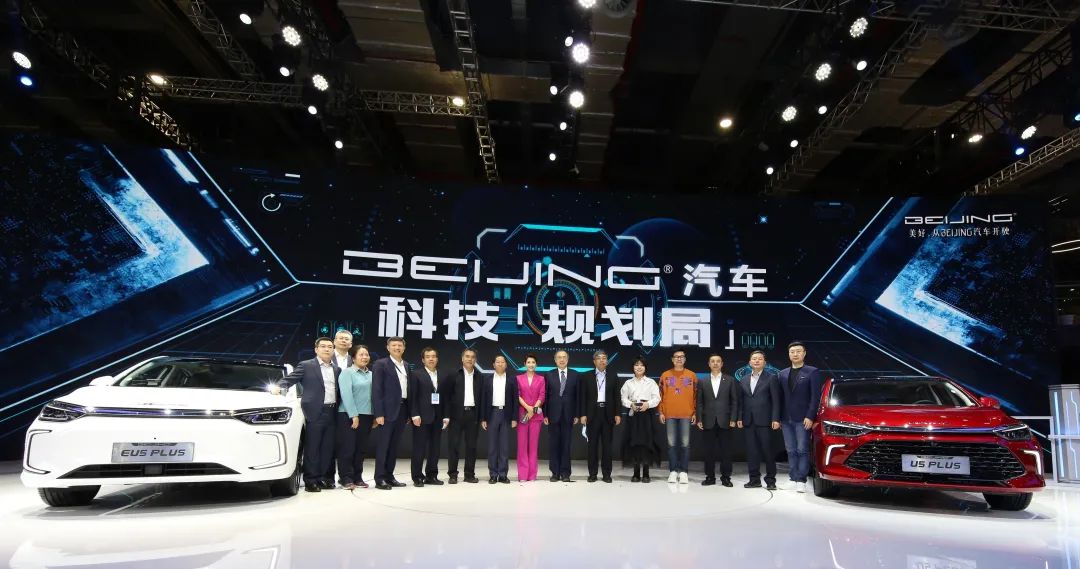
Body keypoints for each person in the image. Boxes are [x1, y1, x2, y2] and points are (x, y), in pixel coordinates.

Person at [280, 337, 340, 492]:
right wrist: (279, 387)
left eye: (330, 347)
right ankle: (310, 480)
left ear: (333, 350)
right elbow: (290, 379)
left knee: (327, 449)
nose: (327, 349)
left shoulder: (337, 369)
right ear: (316, 349)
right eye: (323, 346)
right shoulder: (306, 365)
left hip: (333, 412)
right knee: (312, 449)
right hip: (315, 412)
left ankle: (322, 478)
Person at [778, 341, 825, 493]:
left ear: (804, 353)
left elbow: (815, 397)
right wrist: (778, 417)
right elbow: (780, 397)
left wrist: (810, 416)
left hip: (803, 418)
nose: (795, 354)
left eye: (798, 351)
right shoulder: (782, 373)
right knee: (790, 450)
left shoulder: (812, 372)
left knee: (802, 449)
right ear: (788, 354)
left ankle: (801, 480)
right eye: (792, 352)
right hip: (786, 418)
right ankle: (793, 478)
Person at [737, 350, 781, 490]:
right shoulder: (743, 379)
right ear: (749, 363)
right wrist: (739, 417)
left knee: (768, 452)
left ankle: (771, 480)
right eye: (754, 359)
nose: (756, 361)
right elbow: (741, 401)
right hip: (748, 421)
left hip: (765, 421)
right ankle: (754, 479)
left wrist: (775, 418)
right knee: (752, 452)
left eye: (760, 359)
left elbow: (776, 400)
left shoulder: (771, 378)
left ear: (764, 363)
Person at [371, 337, 410, 490]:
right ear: (388, 347)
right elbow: (377, 390)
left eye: (400, 345)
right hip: (387, 412)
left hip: (402, 410)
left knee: (394, 446)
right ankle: (380, 478)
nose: (397, 347)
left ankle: (390, 476)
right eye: (394, 345)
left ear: (404, 348)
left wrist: (409, 413)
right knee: (383, 446)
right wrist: (379, 413)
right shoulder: (380, 364)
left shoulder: (406, 365)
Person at [696, 353, 739, 487]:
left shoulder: (730, 380)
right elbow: (699, 402)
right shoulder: (702, 381)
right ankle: (710, 477)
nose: (715, 363)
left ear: (722, 364)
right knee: (708, 451)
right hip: (707, 420)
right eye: (713, 361)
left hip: (725, 420)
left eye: (718, 361)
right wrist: (699, 419)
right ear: (709, 364)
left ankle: (726, 477)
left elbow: (734, 401)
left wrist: (733, 418)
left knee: (726, 451)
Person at [578, 350, 621, 483]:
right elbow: (582, 397)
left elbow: (617, 397)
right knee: (592, 445)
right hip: (592, 414)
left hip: (608, 414)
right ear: (594, 361)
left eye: (604, 358)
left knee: (607, 446)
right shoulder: (586, 376)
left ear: (607, 361)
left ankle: (607, 474)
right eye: (599, 358)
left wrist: (617, 413)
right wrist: (583, 414)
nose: (602, 360)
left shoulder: (613, 376)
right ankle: (592, 474)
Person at [408, 347, 448, 486]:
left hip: (438, 417)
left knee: (435, 448)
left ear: (437, 359)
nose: (431, 359)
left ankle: (432, 476)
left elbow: (446, 398)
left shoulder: (442, 375)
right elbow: (412, 396)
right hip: (421, 417)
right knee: (419, 448)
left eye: (433, 356)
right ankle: (417, 477)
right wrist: (414, 414)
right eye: (428, 356)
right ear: (423, 360)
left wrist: (446, 416)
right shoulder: (416, 374)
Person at [336, 344, 373, 489]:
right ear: (353, 358)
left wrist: (375, 415)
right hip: (348, 415)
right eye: (361, 354)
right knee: (348, 448)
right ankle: (345, 478)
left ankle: (358, 477)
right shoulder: (347, 373)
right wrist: (354, 415)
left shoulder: (371, 374)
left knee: (361, 449)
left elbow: (374, 396)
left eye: (366, 354)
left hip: (367, 415)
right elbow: (346, 395)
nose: (365, 357)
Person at [620, 356, 661, 483]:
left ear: (645, 368)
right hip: (633, 414)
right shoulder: (628, 383)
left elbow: (657, 398)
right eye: (636, 365)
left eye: (642, 365)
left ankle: (646, 473)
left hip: (647, 414)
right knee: (634, 442)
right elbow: (623, 398)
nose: (639, 367)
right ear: (633, 367)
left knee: (647, 442)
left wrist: (647, 404)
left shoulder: (651, 382)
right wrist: (630, 404)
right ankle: (636, 473)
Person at [658, 349, 697, 484]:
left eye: (681, 356)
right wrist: (661, 412)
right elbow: (660, 395)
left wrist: (695, 412)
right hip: (669, 414)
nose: (679, 359)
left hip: (686, 414)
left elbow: (696, 396)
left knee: (685, 444)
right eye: (676, 357)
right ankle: (673, 471)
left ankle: (684, 472)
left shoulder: (691, 375)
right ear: (672, 359)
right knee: (671, 444)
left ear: (685, 359)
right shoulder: (665, 375)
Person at [445, 348, 483, 484]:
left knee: (471, 446)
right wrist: (446, 415)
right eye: (467, 356)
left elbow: (482, 398)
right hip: (456, 415)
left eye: (472, 357)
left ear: (475, 360)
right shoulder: (453, 374)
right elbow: (447, 397)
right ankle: (453, 475)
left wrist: (482, 417)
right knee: (454, 445)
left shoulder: (480, 376)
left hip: (472, 414)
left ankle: (469, 474)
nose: (469, 359)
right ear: (462, 359)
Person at [543, 350, 579, 482]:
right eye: (559, 357)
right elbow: (545, 396)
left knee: (566, 445)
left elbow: (578, 396)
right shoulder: (549, 374)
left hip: (569, 414)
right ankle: (555, 473)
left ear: (567, 359)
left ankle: (565, 473)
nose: (562, 360)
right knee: (554, 445)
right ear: (555, 360)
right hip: (553, 414)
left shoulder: (575, 374)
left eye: (564, 357)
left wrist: (577, 414)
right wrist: (545, 414)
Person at [481, 354, 518, 484]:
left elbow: (515, 399)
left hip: (506, 414)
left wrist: (514, 418)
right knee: (492, 447)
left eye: (503, 362)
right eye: (498, 362)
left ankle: (502, 474)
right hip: (492, 413)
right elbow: (483, 399)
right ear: (493, 364)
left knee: (504, 447)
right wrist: (483, 418)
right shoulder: (487, 379)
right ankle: (493, 474)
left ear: (506, 365)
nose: (500, 364)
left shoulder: (512, 379)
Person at [516, 354, 545, 482]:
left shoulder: (541, 379)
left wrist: (533, 410)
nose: (531, 364)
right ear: (525, 364)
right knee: (522, 446)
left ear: (536, 364)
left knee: (533, 446)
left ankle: (532, 475)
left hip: (536, 415)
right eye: (528, 362)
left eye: (533, 362)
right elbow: (517, 395)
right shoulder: (518, 378)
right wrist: (528, 408)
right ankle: (523, 475)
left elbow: (542, 396)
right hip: (523, 414)